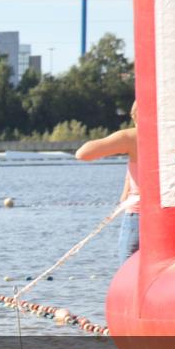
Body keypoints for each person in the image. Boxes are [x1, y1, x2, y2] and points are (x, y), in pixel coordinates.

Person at [75, 101, 139, 264]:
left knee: (129, 274)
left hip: (140, 216)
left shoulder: (133, 137)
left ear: (135, 116)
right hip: (173, 213)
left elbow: (83, 153)